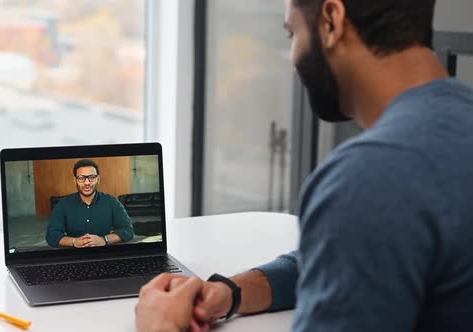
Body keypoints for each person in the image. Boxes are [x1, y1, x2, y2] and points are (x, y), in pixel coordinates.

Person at [135, 0, 473, 331]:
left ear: (331, 20)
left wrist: (159, 328)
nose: (293, 56)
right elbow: (356, 254)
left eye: (291, 33)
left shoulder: (368, 178)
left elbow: (364, 225)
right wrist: (229, 292)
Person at [46, 159, 134, 248]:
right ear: (75, 180)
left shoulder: (111, 202)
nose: (87, 182)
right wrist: (74, 241)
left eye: (91, 177)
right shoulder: (63, 204)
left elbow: (128, 230)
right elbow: (51, 235)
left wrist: (104, 240)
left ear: (98, 179)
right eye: (81, 178)